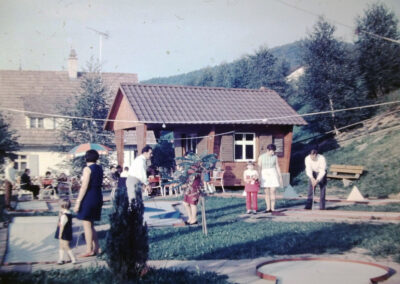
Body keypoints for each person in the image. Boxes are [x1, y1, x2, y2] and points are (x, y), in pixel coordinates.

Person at [73, 150, 103, 257]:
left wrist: (78, 202)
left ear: (86, 158)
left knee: (86, 224)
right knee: (91, 224)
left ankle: (88, 250)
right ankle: (97, 247)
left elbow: (84, 186)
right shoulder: (99, 168)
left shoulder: (87, 169)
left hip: (89, 197)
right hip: (98, 196)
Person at [258, 144, 283, 213]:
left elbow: (277, 166)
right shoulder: (261, 157)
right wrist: (259, 176)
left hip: (273, 173)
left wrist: (280, 176)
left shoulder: (275, 157)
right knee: (266, 192)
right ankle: (268, 208)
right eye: (272, 151)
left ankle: (273, 208)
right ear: (268, 150)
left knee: (273, 190)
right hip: (264, 174)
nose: (273, 153)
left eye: (274, 151)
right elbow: (259, 167)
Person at [54, 199, 77, 265]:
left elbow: (62, 226)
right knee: (61, 246)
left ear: (62, 206)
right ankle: (60, 259)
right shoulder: (68, 213)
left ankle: (73, 258)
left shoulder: (64, 216)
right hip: (66, 232)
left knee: (66, 246)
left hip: (64, 233)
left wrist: (60, 234)